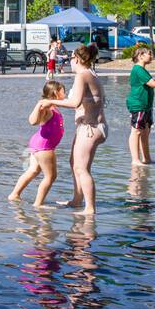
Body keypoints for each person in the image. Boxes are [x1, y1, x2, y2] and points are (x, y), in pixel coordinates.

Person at [40, 44, 107, 214]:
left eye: (70, 58)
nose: (69, 61)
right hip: (92, 126)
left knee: (81, 168)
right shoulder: (91, 73)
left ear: (76, 59)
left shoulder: (82, 75)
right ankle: (77, 200)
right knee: (74, 163)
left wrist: (51, 102)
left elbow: (75, 102)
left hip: (90, 128)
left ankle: (89, 208)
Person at [9, 79, 66, 206]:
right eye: (63, 92)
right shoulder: (46, 108)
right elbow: (32, 121)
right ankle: (38, 204)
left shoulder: (53, 107)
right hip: (44, 147)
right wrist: (39, 105)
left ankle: (14, 194)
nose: (65, 95)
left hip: (39, 144)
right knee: (50, 177)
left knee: (33, 170)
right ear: (56, 93)